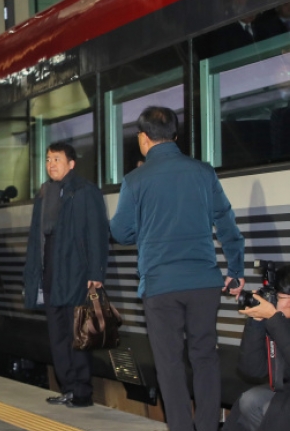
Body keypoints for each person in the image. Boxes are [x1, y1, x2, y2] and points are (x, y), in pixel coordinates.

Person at [110, 106, 245, 431]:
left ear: (143, 138)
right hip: (203, 283)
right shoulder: (203, 172)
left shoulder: (135, 180)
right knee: (205, 358)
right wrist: (236, 270)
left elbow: (120, 232)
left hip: (160, 286)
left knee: (169, 364)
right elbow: (227, 223)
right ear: (175, 135)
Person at [22, 142, 109, 408]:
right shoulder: (45, 194)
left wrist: (96, 271)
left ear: (71, 163)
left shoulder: (84, 191)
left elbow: (97, 233)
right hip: (51, 273)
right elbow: (37, 240)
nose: (51, 164)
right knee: (58, 335)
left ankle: (82, 392)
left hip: (76, 273)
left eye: (57, 159)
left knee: (78, 333)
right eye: (48, 159)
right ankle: (68, 387)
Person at [223, 266, 290, 431]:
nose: (286, 304)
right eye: (282, 297)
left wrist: (275, 320)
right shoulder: (280, 321)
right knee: (249, 400)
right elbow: (253, 370)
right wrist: (256, 322)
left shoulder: (278, 323)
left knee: (275, 412)